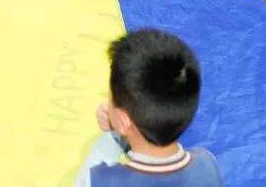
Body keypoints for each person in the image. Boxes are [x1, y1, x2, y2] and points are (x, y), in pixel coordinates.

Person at [74, 29, 224, 186]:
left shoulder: (96, 180)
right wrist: (120, 124)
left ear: (124, 121)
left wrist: (114, 136)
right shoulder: (208, 165)